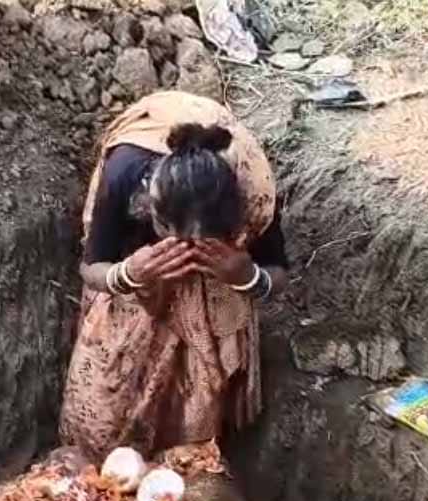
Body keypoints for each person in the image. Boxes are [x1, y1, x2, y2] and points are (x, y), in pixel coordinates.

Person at [59, 90, 289, 460]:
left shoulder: (254, 192)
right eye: (174, 237)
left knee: (193, 421)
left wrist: (247, 276)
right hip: (136, 277)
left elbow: (278, 274)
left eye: (202, 242)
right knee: (103, 407)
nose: (187, 249)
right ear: (151, 210)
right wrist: (127, 274)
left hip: (221, 281)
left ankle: (183, 459)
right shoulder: (124, 173)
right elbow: (92, 267)